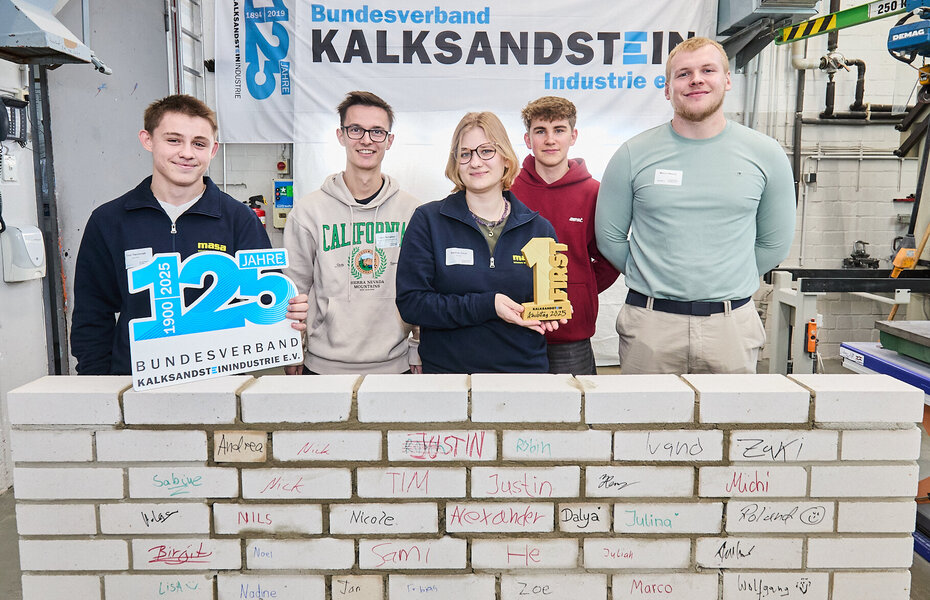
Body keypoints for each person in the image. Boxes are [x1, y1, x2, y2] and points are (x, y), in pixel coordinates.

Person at [595, 37, 796, 374]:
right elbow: (610, 239)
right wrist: (656, 276)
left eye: (707, 70)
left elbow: (774, 244)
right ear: (667, 88)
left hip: (731, 326)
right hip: (650, 325)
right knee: (642, 411)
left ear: (727, 80)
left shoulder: (766, 154)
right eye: (683, 73)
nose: (696, 80)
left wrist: (724, 282)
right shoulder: (632, 154)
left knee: (731, 411)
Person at [71, 94, 308, 375]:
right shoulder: (109, 221)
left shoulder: (239, 220)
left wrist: (286, 316)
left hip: (220, 385)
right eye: (173, 140)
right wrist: (99, 384)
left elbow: (265, 303)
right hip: (134, 385)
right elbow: (92, 314)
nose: (187, 153)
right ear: (148, 140)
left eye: (199, 143)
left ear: (213, 150)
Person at [395, 111, 563, 374]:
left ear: (505, 158)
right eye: (465, 154)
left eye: (486, 151)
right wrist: (488, 305)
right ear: (456, 162)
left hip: (523, 374)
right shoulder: (428, 221)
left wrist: (549, 311)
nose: (475, 162)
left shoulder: (538, 229)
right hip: (449, 377)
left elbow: (548, 299)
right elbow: (412, 305)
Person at [283, 91, 421, 374]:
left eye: (377, 131)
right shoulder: (308, 211)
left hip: (395, 366)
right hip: (322, 366)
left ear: (389, 140)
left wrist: (417, 348)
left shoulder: (412, 212)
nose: (366, 140)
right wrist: (292, 347)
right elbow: (294, 289)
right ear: (341, 135)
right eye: (356, 129)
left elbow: (421, 289)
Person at [511, 96, 619, 375]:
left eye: (558, 130)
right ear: (528, 139)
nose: (550, 140)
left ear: (573, 136)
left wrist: (578, 290)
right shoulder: (507, 191)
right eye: (540, 131)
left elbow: (609, 257)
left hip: (571, 334)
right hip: (513, 328)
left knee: (576, 402)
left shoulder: (594, 192)